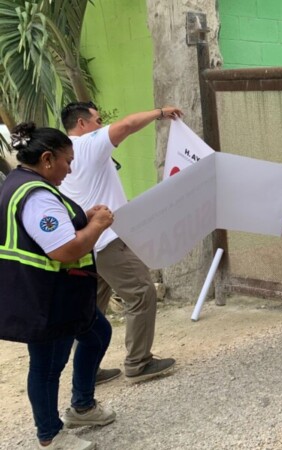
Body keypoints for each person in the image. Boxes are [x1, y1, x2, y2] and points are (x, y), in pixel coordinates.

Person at [0, 123, 117, 450]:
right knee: (48, 366)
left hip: (60, 294)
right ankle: (51, 433)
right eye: (67, 160)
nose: (70, 168)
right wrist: (96, 225)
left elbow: (52, 230)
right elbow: (63, 249)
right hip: (47, 298)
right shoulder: (36, 195)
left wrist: (83, 218)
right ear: (48, 159)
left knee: (98, 334)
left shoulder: (20, 181)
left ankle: (82, 406)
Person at [59, 102, 182, 383]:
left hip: (85, 243)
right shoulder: (87, 144)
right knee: (140, 292)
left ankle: (87, 369)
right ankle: (139, 362)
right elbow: (126, 125)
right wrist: (160, 113)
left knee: (90, 309)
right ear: (81, 124)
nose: (101, 126)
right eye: (97, 120)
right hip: (108, 241)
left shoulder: (63, 153)